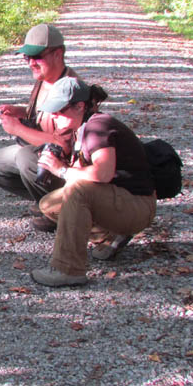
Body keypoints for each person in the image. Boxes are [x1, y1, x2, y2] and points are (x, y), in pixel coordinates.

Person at [29, 77, 156, 287]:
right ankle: (110, 237)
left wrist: (60, 169)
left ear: (80, 106)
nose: (54, 116)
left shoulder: (99, 126)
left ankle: (68, 269)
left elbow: (103, 174)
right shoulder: (83, 127)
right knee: (49, 204)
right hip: (121, 201)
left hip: (138, 205)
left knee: (77, 191)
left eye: (59, 110)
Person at [0, 23, 80, 232]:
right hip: (46, 153)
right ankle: (49, 202)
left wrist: (18, 129)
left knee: (25, 157)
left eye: (37, 57)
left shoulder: (70, 90)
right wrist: (20, 112)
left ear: (58, 53)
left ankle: (61, 209)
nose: (31, 64)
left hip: (68, 167)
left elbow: (64, 144)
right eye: (27, 58)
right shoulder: (45, 79)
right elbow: (41, 115)